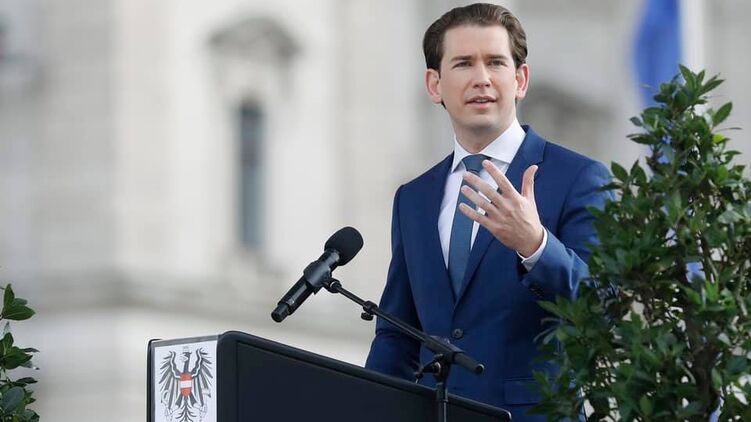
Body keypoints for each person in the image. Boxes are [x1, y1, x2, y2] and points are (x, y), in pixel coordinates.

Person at [364, 3, 611, 421]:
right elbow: (397, 335)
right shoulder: (413, 198)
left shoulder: (579, 177)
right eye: (463, 63)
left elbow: (604, 305)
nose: (481, 78)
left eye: (495, 62)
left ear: (520, 80)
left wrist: (536, 246)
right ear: (434, 85)